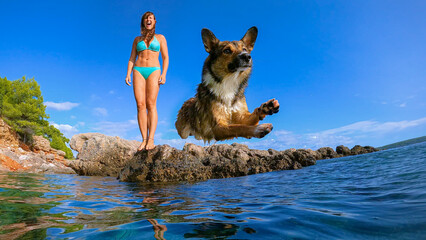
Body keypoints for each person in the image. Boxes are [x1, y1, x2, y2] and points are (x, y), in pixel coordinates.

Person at [126, 11, 169, 151]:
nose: (148, 20)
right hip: (138, 70)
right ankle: (144, 139)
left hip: (154, 70)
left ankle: (151, 139)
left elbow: (165, 57)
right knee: (140, 104)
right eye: (146, 18)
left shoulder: (161, 38)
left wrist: (164, 74)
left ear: (155, 22)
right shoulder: (137, 40)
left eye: (151, 18)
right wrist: (128, 74)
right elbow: (132, 57)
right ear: (143, 22)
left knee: (151, 104)